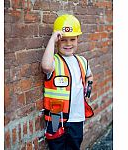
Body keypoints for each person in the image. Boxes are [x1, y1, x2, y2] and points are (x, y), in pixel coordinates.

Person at [41, 14, 94, 150]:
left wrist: (89, 87)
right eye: (64, 40)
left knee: (74, 146)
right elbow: (45, 67)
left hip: (77, 117)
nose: (68, 44)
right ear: (58, 41)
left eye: (72, 39)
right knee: (55, 146)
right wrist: (52, 39)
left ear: (77, 39)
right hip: (55, 117)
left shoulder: (82, 61)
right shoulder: (54, 61)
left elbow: (90, 76)